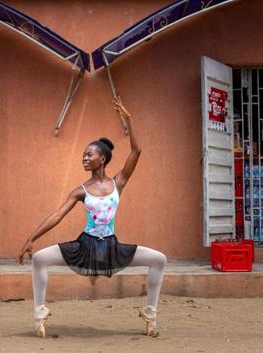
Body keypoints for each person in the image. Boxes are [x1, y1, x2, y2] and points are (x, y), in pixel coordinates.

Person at [17, 97, 167, 338]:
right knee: (40, 260)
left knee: (159, 259)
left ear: (103, 159)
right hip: (85, 246)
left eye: (89, 155)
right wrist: (31, 238)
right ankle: (39, 313)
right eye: (83, 155)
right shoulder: (80, 190)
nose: (84, 158)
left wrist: (129, 120)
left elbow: (136, 151)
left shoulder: (118, 182)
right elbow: (57, 215)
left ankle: (150, 313)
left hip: (110, 247)